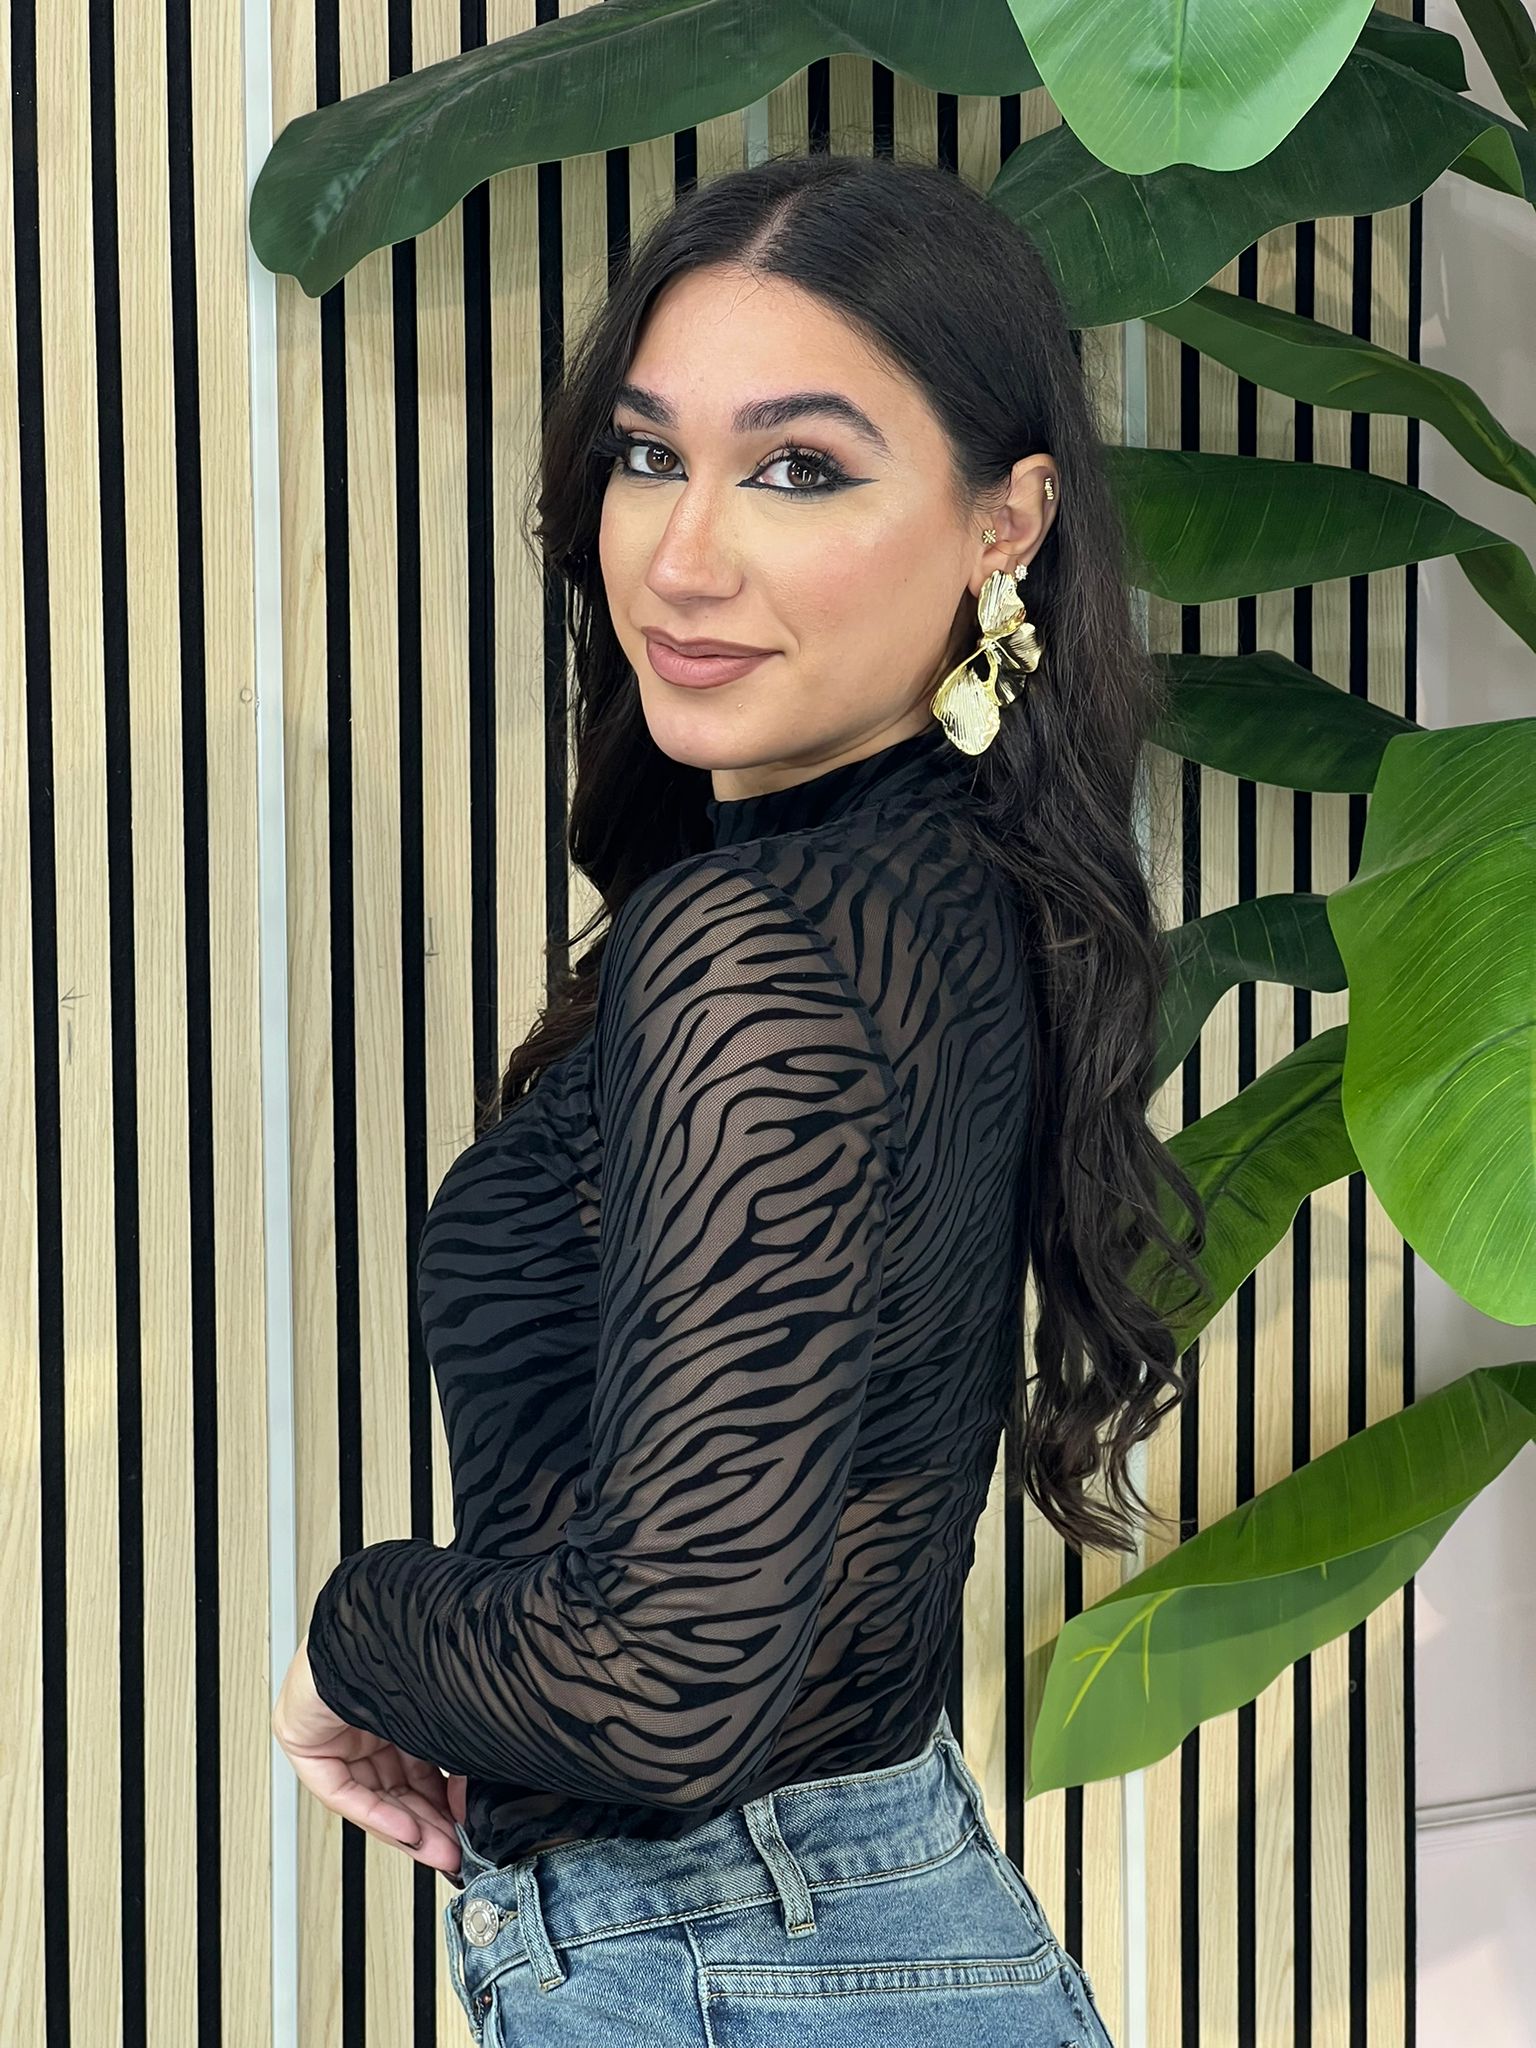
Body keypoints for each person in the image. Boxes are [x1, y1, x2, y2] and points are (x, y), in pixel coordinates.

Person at [273, 147, 1206, 2047]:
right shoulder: (960, 874)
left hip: (738, 1961)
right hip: (846, 1924)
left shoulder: (755, 944)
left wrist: (348, 1638)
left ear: (1004, 521)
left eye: (799, 470)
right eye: (648, 455)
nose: (682, 557)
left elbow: (659, 1687)